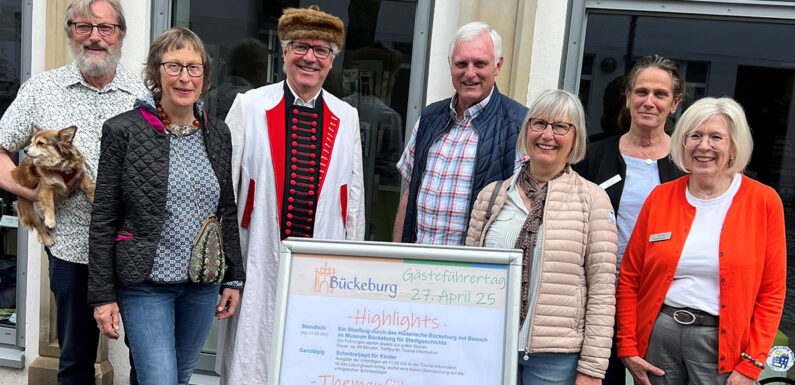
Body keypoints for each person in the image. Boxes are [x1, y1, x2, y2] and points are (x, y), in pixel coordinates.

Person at [87, 27, 245, 385]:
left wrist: (234, 276)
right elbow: (104, 217)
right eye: (173, 66)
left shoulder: (218, 133)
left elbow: (226, 209)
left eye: (194, 67)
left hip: (202, 283)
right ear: (156, 72)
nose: (184, 77)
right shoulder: (123, 130)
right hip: (146, 283)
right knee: (159, 379)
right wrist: (102, 296)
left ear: (204, 75)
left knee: (180, 377)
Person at [0, 0, 146, 382]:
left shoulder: (143, 93)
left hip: (132, 247)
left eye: (105, 27)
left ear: (120, 35)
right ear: (70, 33)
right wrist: (34, 192)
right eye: (84, 27)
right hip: (71, 249)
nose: (95, 37)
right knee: (75, 361)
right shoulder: (42, 89)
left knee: (146, 361)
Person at [219, 5, 365, 384]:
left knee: (310, 359)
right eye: (301, 46)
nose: (310, 58)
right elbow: (225, 191)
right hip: (258, 255)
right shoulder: (250, 106)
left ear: (332, 60)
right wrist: (228, 267)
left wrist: (354, 268)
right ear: (284, 52)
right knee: (253, 357)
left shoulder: (346, 116)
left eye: (321, 50)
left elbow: (354, 199)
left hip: (320, 264)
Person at [616, 97, 786, 385]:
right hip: (659, 339)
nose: (703, 146)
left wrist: (752, 364)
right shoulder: (660, 198)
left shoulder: (764, 201)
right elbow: (630, 277)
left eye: (716, 137)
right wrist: (627, 346)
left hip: (721, 346)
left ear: (734, 146)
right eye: (695, 136)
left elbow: (772, 292)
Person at [466, 89, 617, 385]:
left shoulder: (593, 200)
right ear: (527, 129)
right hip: (490, 348)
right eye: (539, 123)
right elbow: (470, 279)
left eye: (560, 127)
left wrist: (592, 368)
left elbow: (602, 290)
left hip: (556, 359)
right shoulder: (491, 197)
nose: (547, 135)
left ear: (575, 137)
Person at [572, 54, 687, 383]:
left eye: (660, 94)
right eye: (641, 92)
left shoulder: (686, 164)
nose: (649, 101)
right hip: (599, 300)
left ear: (675, 103)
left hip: (661, 305)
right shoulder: (592, 156)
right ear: (627, 97)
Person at [393, 21, 528, 245]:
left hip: (474, 266)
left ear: (498, 65)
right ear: (450, 65)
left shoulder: (520, 126)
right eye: (461, 64)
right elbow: (410, 194)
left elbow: (526, 211)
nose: (470, 73)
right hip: (417, 262)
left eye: (480, 64)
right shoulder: (428, 118)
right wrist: (397, 256)